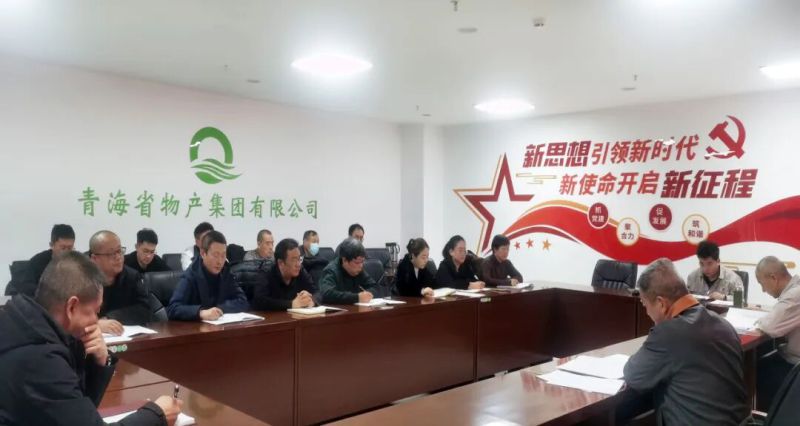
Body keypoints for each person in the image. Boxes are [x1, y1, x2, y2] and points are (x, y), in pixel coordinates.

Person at [0, 251, 182, 425]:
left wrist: (99, 362)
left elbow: (79, 412)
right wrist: (157, 414)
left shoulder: (25, 324)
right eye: (94, 311)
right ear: (71, 307)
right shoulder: (40, 359)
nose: (96, 321)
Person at [622, 258, 748, 425]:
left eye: (645, 305)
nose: (647, 313)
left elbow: (634, 376)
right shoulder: (724, 325)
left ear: (661, 303)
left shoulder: (668, 334)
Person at [167, 230, 249, 321]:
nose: (220, 261)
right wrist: (200, 313)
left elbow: (243, 301)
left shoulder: (226, 271)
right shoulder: (191, 274)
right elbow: (172, 309)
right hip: (196, 328)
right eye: (215, 255)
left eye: (223, 255)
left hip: (221, 325)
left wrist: (219, 309)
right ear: (203, 253)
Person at [754, 255, 800, 410]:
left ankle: (770, 418)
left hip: (796, 364)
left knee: (757, 369)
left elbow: (771, 326)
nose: (763, 290)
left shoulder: (794, 295)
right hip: (793, 357)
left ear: (773, 278)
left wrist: (760, 321)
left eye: (761, 283)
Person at [89, 231, 150, 334]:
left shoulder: (132, 276)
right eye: (111, 254)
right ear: (94, 259)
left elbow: (144, 310)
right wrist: (95, 324)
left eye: (119, 251)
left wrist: (110, 318)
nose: (118, 257)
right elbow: (72, 315)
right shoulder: (82, 279)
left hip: (125, 336)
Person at [252, 238, 318, 310]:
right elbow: (260, 301)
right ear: (281, 263)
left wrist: (311, 300)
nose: (298, 264)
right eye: (294, 260)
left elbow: (317, 293)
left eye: (299, 259)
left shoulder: (300, 270)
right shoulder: (266, 273)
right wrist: (291, 304)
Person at [12, 224, 75, 296]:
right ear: (51, 245)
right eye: (63, 248)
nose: (66, 252)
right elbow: (26, 287)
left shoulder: (78, 262)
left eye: (70, 248)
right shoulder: (37, 262)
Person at [320, 238, 375, 304]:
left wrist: (368, 294)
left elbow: (375, 287)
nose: (361, 266)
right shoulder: (331, 271)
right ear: (345, 260)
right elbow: (327, 294)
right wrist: (356, 297)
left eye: (362, 261)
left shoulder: (359, 270)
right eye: (357, 262)